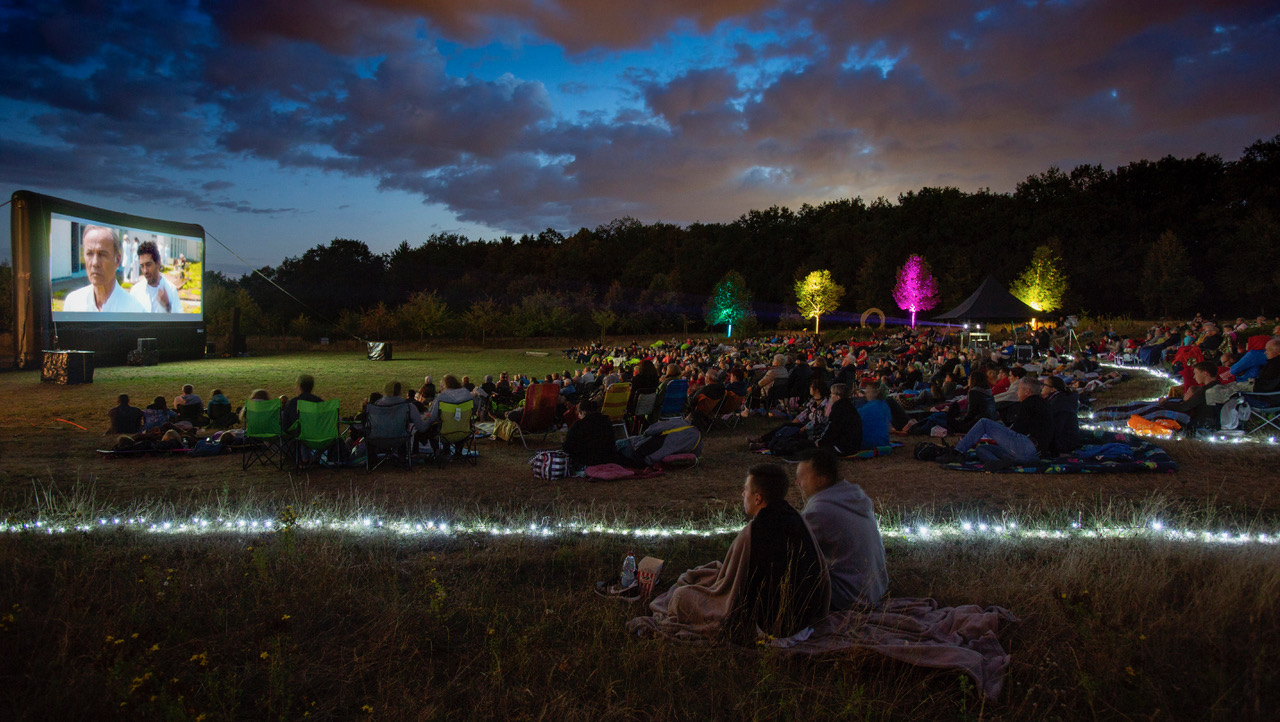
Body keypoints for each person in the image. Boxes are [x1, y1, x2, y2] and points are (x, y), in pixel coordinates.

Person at [734, 464, 831, 638]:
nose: (743, 494)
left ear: (757, 498)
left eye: (746, 489)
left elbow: (734, 587)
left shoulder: (753, 532)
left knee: (683, 595)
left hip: (770, 628)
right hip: (806, 622)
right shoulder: (797, 519)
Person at [795, 450, 888, 610]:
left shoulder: (819, 510)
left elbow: (793, 551)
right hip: (877, 589)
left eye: (802, 478)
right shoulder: (854, 496)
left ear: (822, 479)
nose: (798, 483)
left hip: (850, 598)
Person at [951, 377, 1052, 465]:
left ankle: (957, 452)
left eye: (1019, 389)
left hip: (1026, 447)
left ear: (1027, 391)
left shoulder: (1028, 403)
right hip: (1032, 455)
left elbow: (1018, 429)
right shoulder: (1045, 404)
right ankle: (997, 462)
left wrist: (1000, 434)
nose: (1017, 392)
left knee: (984, 423)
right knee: (981, 449)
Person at [62, 225, 146, 313]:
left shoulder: (135, 310)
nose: (95, 263)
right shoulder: (73, 303)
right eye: (90, 254)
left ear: (117, 260)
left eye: (102, 254)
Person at [561, 399, 622, 468]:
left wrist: (563, 442)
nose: (578, 416)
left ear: (582, 412)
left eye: (578, 413)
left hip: (587, 461)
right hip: (608, 458)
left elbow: (568, 448)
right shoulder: (606, 422)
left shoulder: (579, 425)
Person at [129, 240, 180, 313]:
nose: (145, 271)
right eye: (142, 266)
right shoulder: (135, 291)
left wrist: (168, 306)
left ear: (158, 263)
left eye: (148, 264)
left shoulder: (171, 290)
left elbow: (180, 322)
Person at [856, 381, 892, 449]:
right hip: (883, 441)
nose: (866, 393)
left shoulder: (870, 407)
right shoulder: (885, 405)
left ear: (875, 393)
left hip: (869, 443)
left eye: (868, 391)